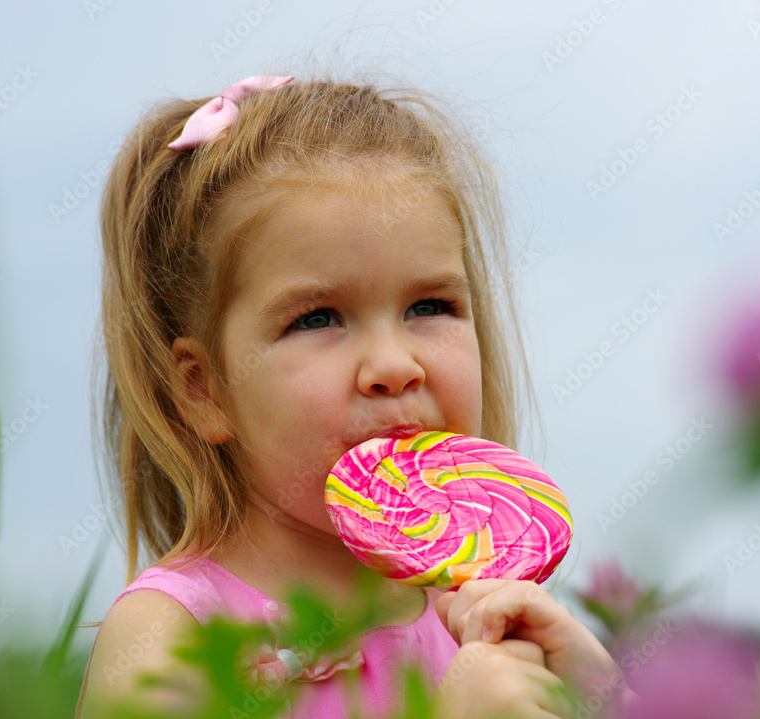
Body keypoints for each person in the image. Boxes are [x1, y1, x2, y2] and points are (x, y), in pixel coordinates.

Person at [76, 73, 626, 719]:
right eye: (317, 318)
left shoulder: (482, 619)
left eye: (429, 305)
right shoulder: (174, 635)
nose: (394, 366)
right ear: (205, 388)